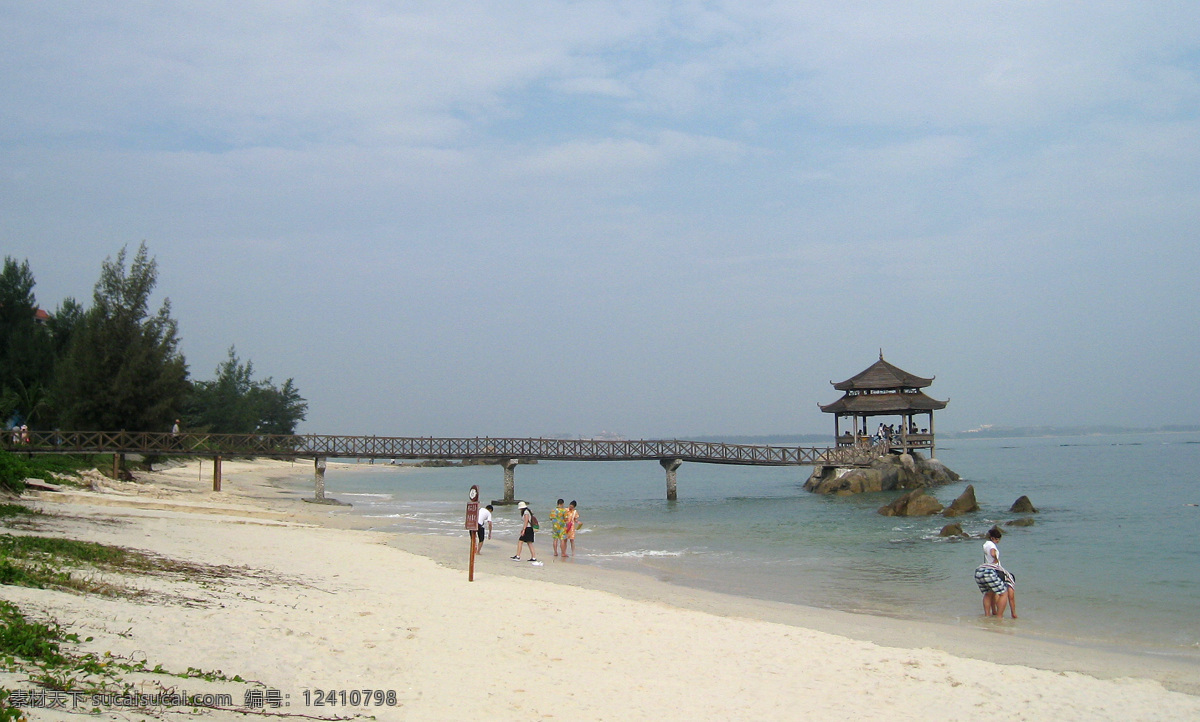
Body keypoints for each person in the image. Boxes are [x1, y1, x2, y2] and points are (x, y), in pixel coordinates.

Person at [974, 527, 1015, 618]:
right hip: (992, 570)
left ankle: (988, 615)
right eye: (997, 539)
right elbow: (993, 553)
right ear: (992, 538)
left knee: (988, 593)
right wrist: (996, 559)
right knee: (1003, 593)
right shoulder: (991, 545)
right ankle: (999, 617)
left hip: (982, 571)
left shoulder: (985, 545)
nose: (998, 541)